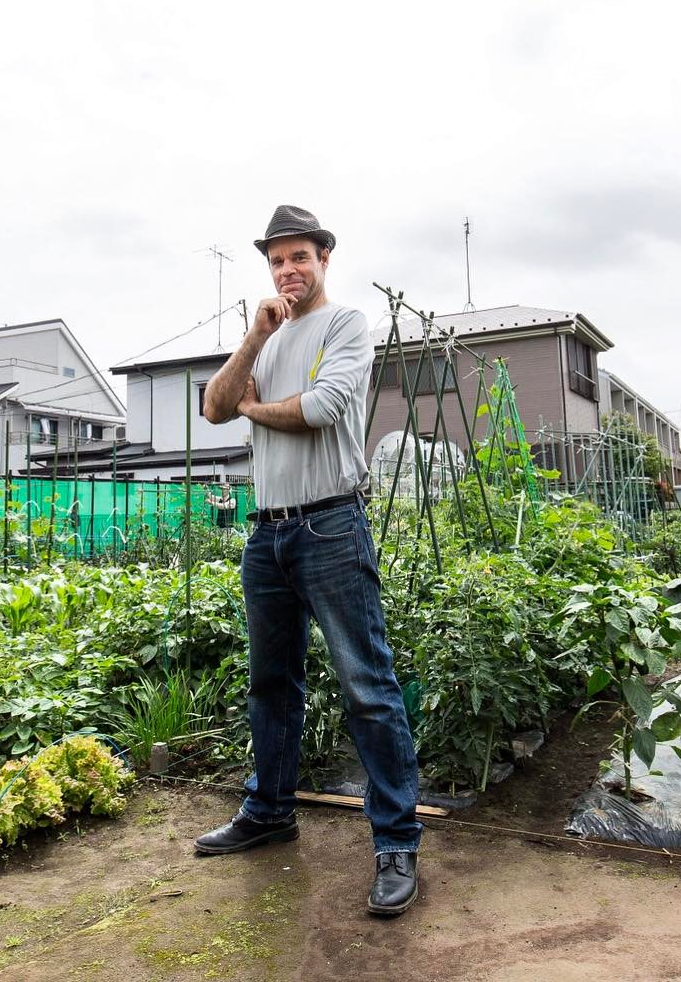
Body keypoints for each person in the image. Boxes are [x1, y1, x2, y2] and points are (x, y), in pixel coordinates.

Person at [195, 204, 422, 916]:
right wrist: (252, 340)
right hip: (266, 535)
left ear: (325, 258)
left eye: (300, 256)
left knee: (367, 687)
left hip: (329, 524)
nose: (288, 270)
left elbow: (321, 408)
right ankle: (268, 812)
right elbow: (213, 407)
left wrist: (257, 410)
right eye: (277, 260)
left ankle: (396, 842)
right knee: (271, 685)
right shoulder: (267, 335)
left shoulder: (347, 325)